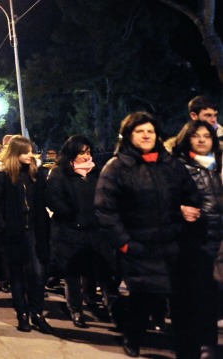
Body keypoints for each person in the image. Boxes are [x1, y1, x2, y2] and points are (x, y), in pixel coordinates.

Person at [95, 112, 200, 358]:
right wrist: (125, 245)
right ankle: (133, 335)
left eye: (150, 131)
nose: (146, 135)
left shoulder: (171, 165)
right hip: (139, 248)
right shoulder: (117, 167)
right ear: (129, 136)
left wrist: (187, 216)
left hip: (173, 247)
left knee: (180, 302)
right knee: (144, 300)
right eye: (139, 131)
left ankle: (186, 350)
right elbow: (105, 210)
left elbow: (191, 195)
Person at [45, 135, 117, 328]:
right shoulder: (59, 173)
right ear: (71, 154)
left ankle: (111, 309)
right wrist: (71, 213)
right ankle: (75, 310)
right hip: (70, 231)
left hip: (95, 231)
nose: (86, 156)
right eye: (81, 152)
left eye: (88, 152)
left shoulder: (97, 172)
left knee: (103, 271)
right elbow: (52, 199)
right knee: (72, 274)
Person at [0, 135, 52, 334]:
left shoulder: (36, 172)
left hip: (35, 229)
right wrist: (3, 227)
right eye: (25, 152)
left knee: (39, 274)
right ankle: (22, 314)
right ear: (15, 154)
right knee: (17, 275)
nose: (30, 155)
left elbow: (45, 197)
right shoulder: (2, 173)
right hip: (13, 232)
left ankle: (37, 313)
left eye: (31, 151)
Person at [170, 120, 223, 359]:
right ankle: (193, 347)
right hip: (191, 242)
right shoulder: (178, 167)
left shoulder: (214, 165)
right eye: (196, 135)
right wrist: (178, 209)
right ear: (186, 139)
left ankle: (206, 344)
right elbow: (161, 200)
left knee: (211, 296)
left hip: (216, 241)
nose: (202, 140)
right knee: (191, 297)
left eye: (207, 136)